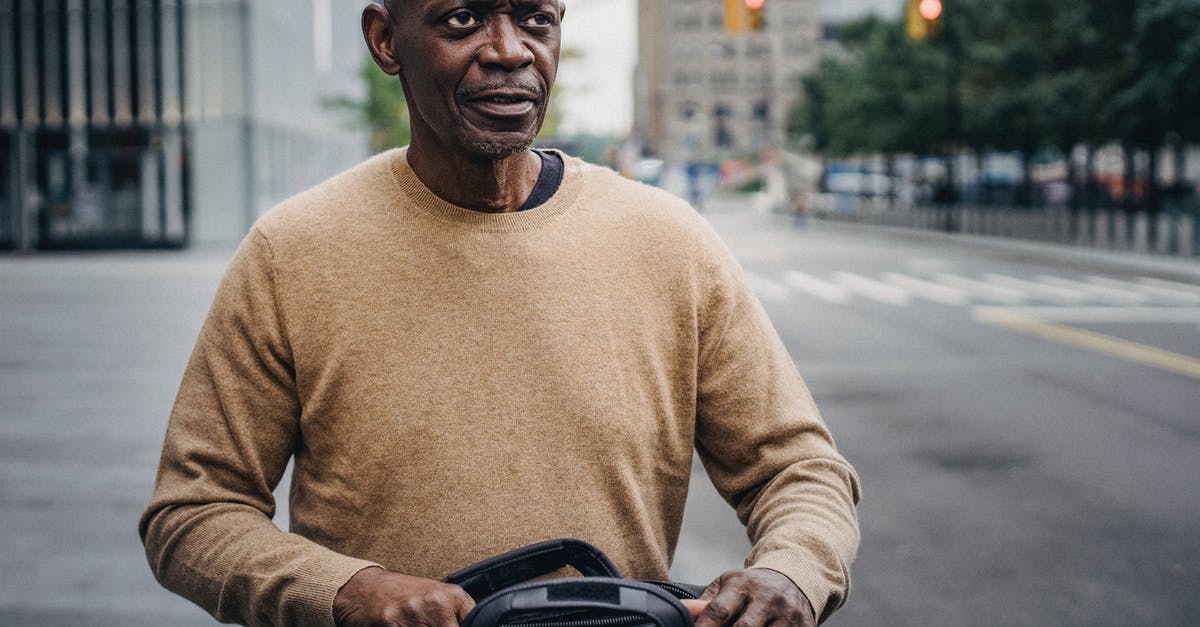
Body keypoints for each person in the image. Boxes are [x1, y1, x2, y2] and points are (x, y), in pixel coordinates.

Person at [139, 1, 861, 626]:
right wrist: (346, 591)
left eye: (534, 19)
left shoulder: (671, 243)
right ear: (386, 40)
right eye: (463, 18)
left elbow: (798, 470)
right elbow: (194, 512)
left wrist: (791, 571)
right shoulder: (290, 253)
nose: (510, 50)